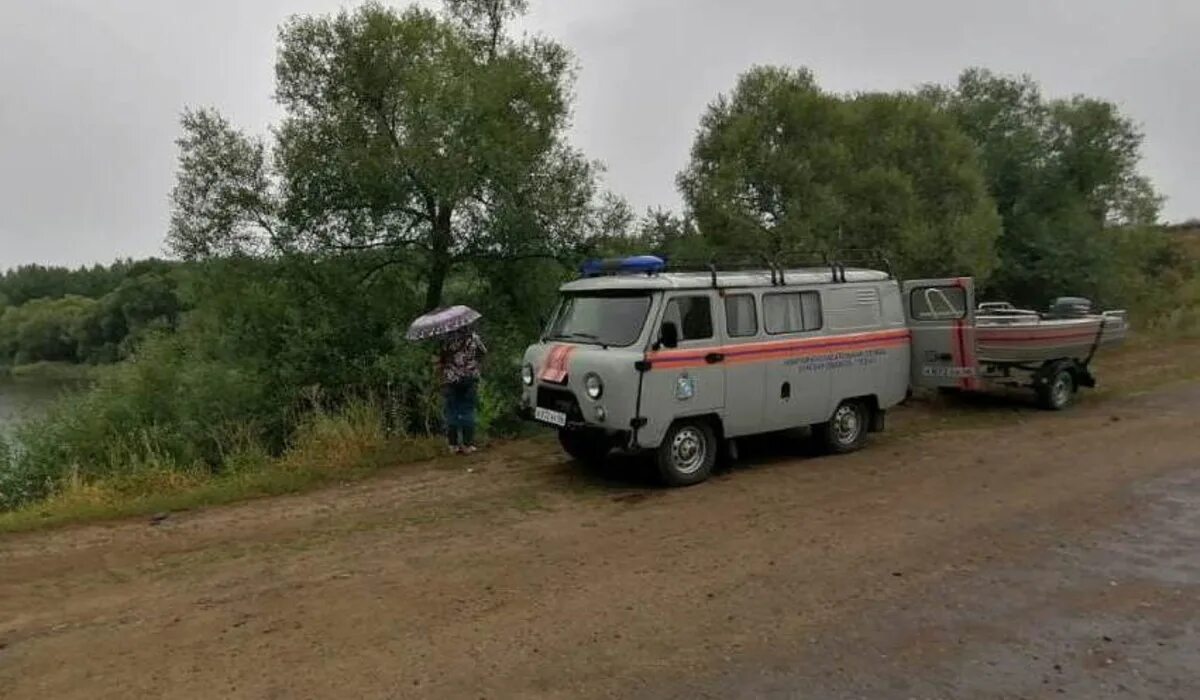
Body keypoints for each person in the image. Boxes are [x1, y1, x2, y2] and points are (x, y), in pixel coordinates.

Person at [436, 325, 487, 454]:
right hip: (470, 379)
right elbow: (483, 353)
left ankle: (453, 445)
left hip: (451, 380)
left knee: (452, 411)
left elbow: (441, 359)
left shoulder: (446, 339)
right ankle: (467, 445)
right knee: (468, 410)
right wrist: (473, 365)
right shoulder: (474, 337)